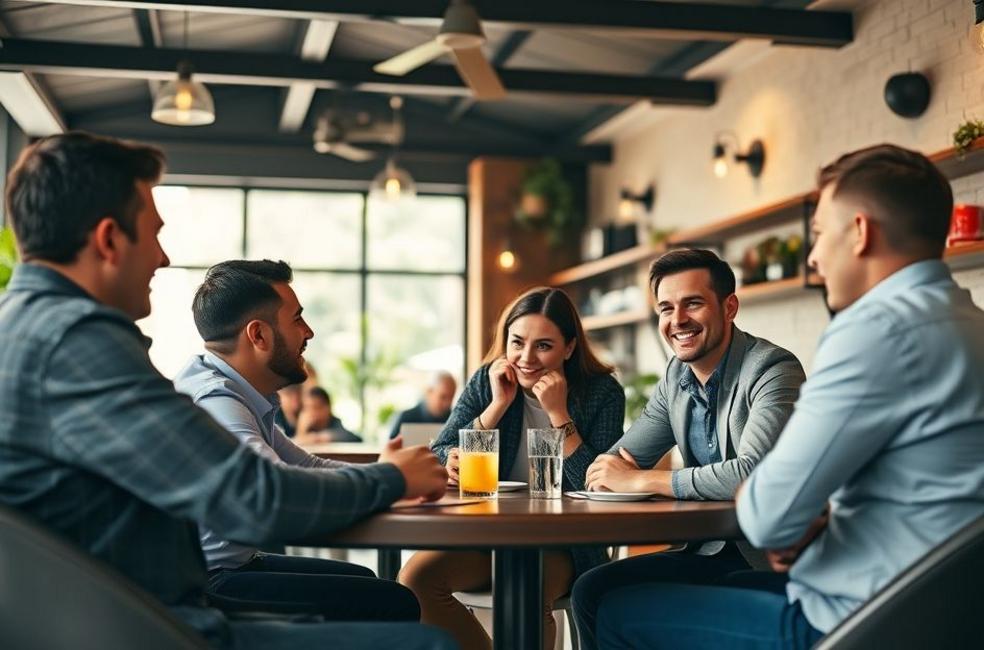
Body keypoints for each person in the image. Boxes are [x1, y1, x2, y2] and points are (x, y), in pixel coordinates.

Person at [0, 132, 454, 650]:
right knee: (427, 644)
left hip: (101, 615)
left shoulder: (25, 327)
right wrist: (391, 479)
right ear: (108, 240)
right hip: (144, 626)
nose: (162, 258)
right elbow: (256, 499)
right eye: (153, 234)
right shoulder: (77, 343)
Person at [592, 145, 984, 649]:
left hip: (855, 618)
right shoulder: (968, 323)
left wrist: (777, 501)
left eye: (819, 233)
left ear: (860, 232)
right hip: (947, 614)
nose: (814, 256)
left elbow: (768, 512)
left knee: (618, 609)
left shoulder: (873, 330)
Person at [570, 247, 806, 649]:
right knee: (591, 590)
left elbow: (751, 474)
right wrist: (618, 472)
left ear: (729, 307)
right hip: (706, 550)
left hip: (764, 558)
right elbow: (613, 464)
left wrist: (643, 480)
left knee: (615, 600)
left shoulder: (772, 370)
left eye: (692, 303)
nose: (677, 320)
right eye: (666, 308)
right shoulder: (676, 377)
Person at [173, 258, 417, 622]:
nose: (309, 332)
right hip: (209, 584)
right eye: (297, 319)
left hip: (227, 567)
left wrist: (393, 474)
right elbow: (277, 492)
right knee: (394, 601)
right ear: (258, 335)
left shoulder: (232, 390)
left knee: (367, 580)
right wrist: (392, 479)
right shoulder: (217, 402)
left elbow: (306, 465)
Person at [399, 286, 626, 650]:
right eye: (517, 342)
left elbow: (598, 484)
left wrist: (558, 413)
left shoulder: (602, 393)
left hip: (564, 544)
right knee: (416, 578)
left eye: (544, 346)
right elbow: (441, 449)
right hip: (489, 536)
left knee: (525, 587)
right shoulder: (487, 380)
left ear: (569, 348)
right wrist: (497, 406)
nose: (526, 357)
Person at [388, 371, 457, 440]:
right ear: (429, 391)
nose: (447, 403)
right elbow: (391, 446)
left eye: (451, 397)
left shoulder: (455, 420)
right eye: (443, 397)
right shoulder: (405, 418)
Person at [297, 386, 361, 442]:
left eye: (316, 407)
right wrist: (301, 431)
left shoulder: (335, 423)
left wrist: (323, 437)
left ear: (328, 407)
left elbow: (355, 438)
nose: (311, 412)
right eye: (307, 408)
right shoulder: (303, 425)